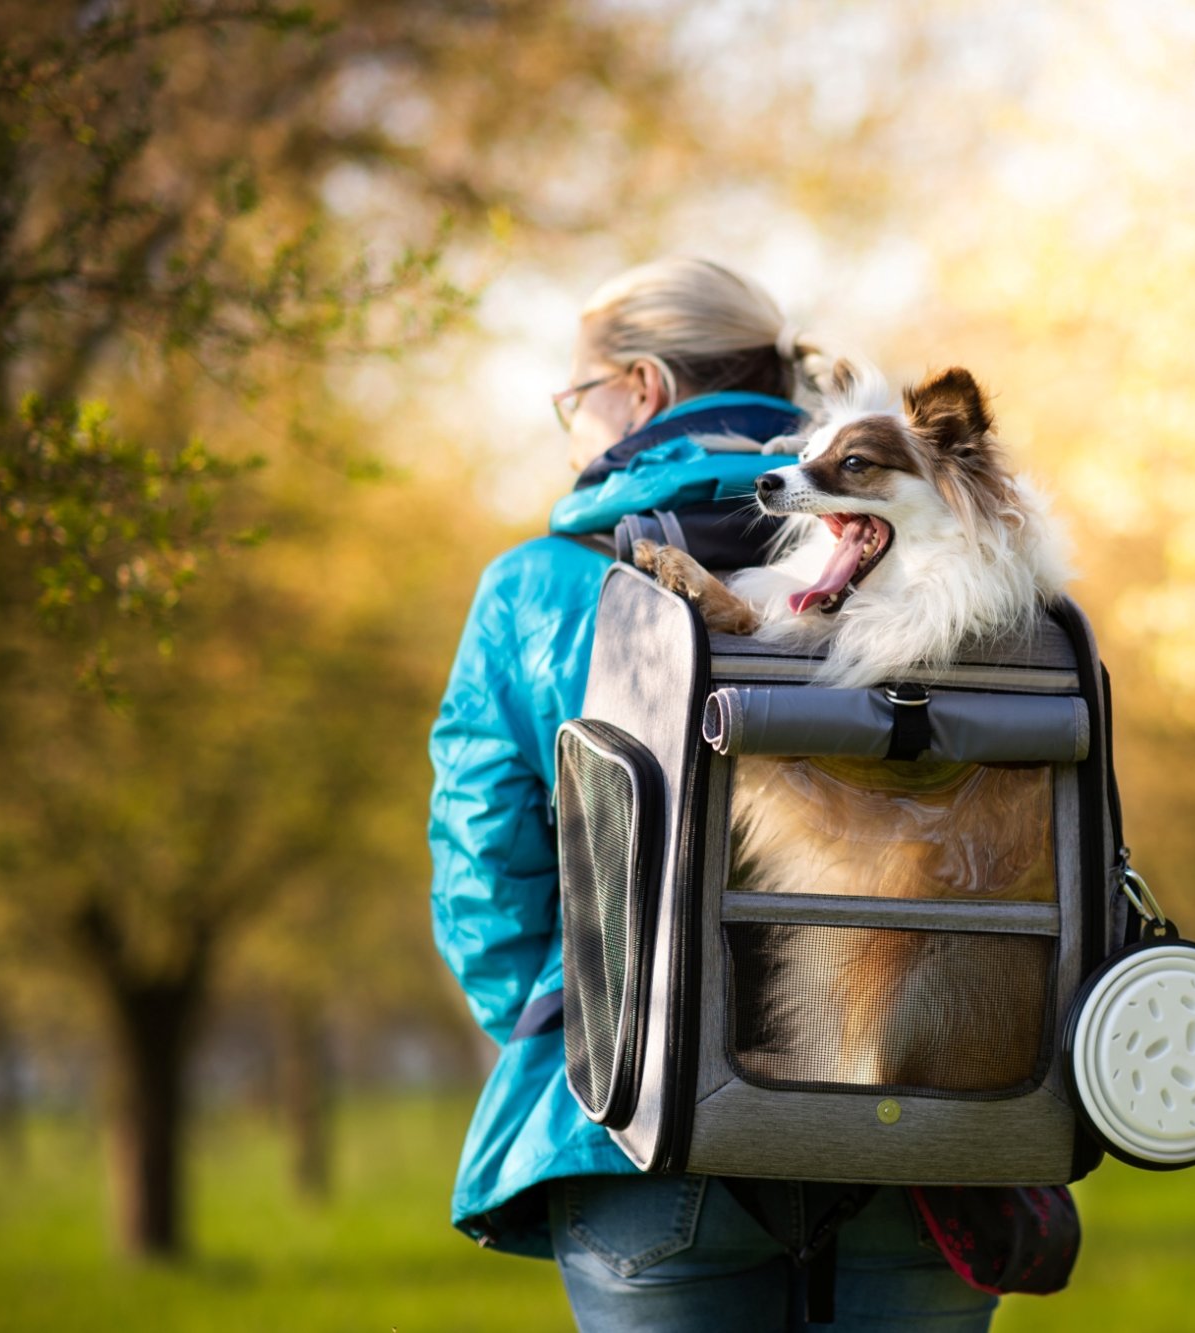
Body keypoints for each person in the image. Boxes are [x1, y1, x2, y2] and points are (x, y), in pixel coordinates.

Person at [427, 257, 1001, 1331]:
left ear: (641, 387)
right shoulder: (955, 552)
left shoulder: (540, 586)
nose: (570, 430)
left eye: (574, 398)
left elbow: (481, 868)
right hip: (925, 1117)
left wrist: (580, 1038)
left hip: (645, 1127)